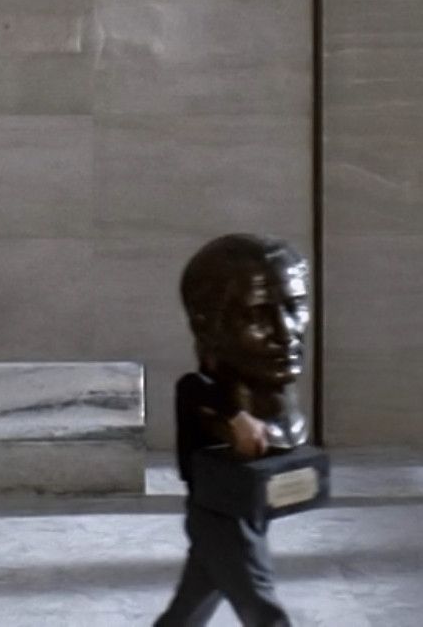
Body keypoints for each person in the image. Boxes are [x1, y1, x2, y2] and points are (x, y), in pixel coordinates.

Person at [154, 234, 311, 627]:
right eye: (258, 315)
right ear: (207, 325)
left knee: (190, 608)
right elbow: (192, 388)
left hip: (236, 509)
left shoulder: (277, 419)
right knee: (262, 609)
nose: (285, 330)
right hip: (223, 515)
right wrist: (236, 417)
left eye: (295, 307)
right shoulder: (202, 395)